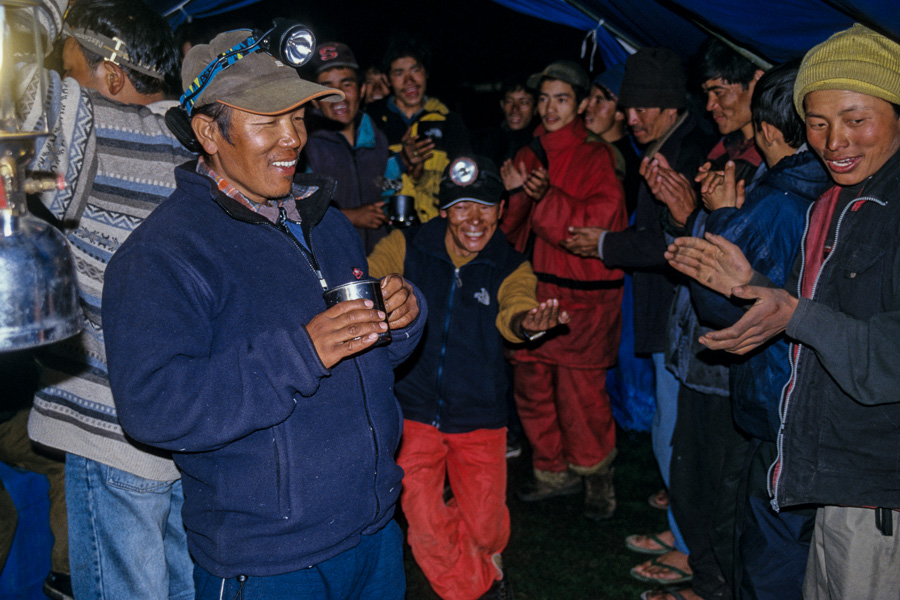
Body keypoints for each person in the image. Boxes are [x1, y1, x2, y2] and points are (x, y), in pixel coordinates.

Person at [101, 29, 426, 600]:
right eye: (266, 121)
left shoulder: (327, 221)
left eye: (298, 117)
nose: (293, 139)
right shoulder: (163, 254)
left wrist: (401, 319)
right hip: (269, 564)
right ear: (208, 132)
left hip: (374, 534)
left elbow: (371, 355)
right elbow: (153, 408)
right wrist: (301, 353)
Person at [667, 24, 900, 599]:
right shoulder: (834, 200)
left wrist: (790, 313)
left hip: (876, 491)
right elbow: (811, 309)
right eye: (817, 124)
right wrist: (754, 290)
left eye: (855, 119)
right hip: (818, 470)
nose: (833, 141)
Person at [21, 0, 195, 598]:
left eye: (69, 72)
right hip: (188, 420)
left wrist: (50, 8)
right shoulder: (198, 136)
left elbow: (9, 79)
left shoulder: (95, 126)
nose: (63, 85)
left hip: (113, 426)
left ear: (113, 76)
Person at [369, 154, 568, 600]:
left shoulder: (511, 265)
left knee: (486, 526)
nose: (474, 219)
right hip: (415, 413)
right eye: (461, 207)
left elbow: (514, 309)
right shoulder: (407, 246)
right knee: (424, 523)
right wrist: (377, 296)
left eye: (485, 206)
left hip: (479, 415)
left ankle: (486, 558)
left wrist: (527, 324)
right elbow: (372, 278)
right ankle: (479, 590)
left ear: (502, 209)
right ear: (443, 211)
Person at [559, 47, 717, 591]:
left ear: (671, 106)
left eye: (641, 107)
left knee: (674, 437)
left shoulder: (686, 151)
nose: (630, 117)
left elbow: (671, 243)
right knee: (669, 434)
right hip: (666, 319)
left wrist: (604, 243)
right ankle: (681, 534)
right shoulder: (665, 144)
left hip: (685, 322)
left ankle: (694, 551)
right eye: (628, 107)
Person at [685, 60, 829, 600]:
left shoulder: (775, 201)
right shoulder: (834, 189)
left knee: (765, 547)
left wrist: (721, 216)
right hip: (814, 404)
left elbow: (719, 300)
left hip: (775, 400)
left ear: (767, 130)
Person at [500, 60, 628, 521]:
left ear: (579, 104)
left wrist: (544, 197)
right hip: (536, 289)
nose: (550, 108)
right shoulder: (529, 154)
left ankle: (596, 475)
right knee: (532, 386)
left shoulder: (597, 156)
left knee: (581, 394)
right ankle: (553, 471)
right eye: (544, 98)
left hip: (585, 297)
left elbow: (597, 229)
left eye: (561, 99)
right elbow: (510, 233)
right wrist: (515, 196)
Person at [368, 34, 471, 223]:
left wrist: (422, 178)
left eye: (415, 70)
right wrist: (401, 163)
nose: (409, 80)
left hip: (436, 228)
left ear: (426, 72)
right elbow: (364, 181)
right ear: (387, 79)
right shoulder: (371, 121)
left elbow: (463, 184)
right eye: (399, 73)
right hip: (384, 229)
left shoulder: (449, 122)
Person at [304, 41, 393, 253]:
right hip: (333, 257)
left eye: (347, 84)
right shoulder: (305, 146)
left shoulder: (377, 137)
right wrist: (351, 216)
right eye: (326, 88)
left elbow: (390, 185)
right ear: (314, 101)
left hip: (381, 257)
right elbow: (297, 209)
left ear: (362, 90)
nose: (339, 95)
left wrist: (407, 168)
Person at [580, 63, 640, 213]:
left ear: (620, 113)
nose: (589, 106)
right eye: (590, 98)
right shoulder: (584, 145)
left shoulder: (627, 164)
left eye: (599, 101)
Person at [476, 78, 537, 168]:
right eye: (509, 102)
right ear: (502, 105)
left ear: (536, 108)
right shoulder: (487, 143)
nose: (515, 109)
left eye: (523, 102)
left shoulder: (542, 144)